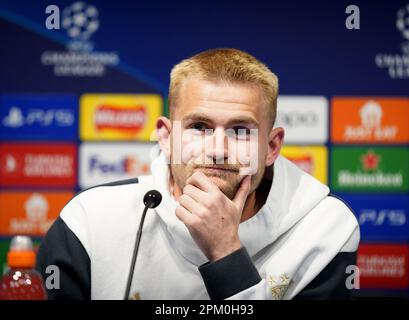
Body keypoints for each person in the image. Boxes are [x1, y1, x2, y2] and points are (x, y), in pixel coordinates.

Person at [36, 48, 360, 300]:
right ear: (165, 136)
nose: (218, 149)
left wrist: (226, 253)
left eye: (240, 130)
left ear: (271, 146)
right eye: (200, 127)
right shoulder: (90, 220)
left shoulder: (325, 227)